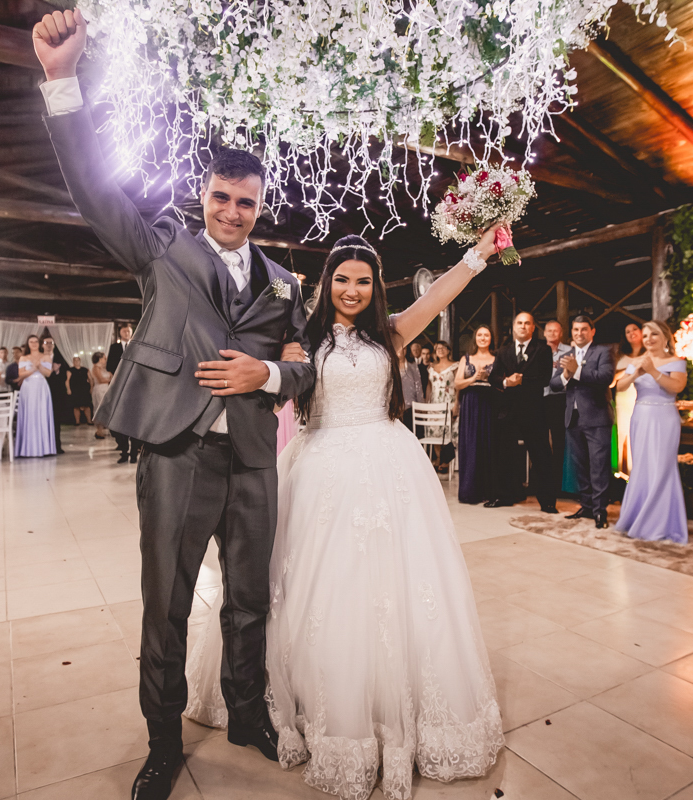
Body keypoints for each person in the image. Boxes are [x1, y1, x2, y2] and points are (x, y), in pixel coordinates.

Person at [33, 12, 317, 798]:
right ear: (204, 194)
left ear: (261, 205)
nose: (232, 212)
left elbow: (305, 368)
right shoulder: (160, 247)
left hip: (253, 458)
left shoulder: (284, 284)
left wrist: (269, 376)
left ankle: (248, 714)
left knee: (250, 600)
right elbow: (93, 189)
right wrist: (61, 80)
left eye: (246, 202)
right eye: (222, 197)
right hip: (176, 452)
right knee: (166, 605)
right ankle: (162, 743)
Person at [185, 231, 507, 800]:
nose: (352, 290)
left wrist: (480, 253)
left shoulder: (392, 331)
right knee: (314, 586)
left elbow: (442, 292)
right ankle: (306, 704)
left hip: (388, 464)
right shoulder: (301, 336)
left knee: (396, 590)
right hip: (319, 466)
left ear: (375, 286)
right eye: (342, 279)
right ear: (326, 282)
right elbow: (268, 373)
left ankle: (393, 709)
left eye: (363, 280)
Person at [615, 321, 688, 543]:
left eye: (654, 334)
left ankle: (661, 523)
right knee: (642, 467)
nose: (649, 339)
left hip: (664, 418)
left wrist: (653, 371)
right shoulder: (637, 361)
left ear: (665, 337)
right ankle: (636, 518)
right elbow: (620, 386)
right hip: (640, 417)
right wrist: (635, 373)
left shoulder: (676, 362)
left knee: (662, 468)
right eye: (645, 335)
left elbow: (677, 387)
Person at [550, 315, 615, 528]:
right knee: (580, 466)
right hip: (573, 418)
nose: (579, 333)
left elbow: (605, 378)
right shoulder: (566, 354)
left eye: (584, 329)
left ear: (592, 331)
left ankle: (600, 511)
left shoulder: (603, 351)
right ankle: (586, 506)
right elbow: (554, 384)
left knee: (599, 466)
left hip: (597, 417)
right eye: (576, 329)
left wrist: (576, 370)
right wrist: (566, 375)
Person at [489, 312, 557, 513]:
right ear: (513, 326)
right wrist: (505, 382)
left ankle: (547, 501)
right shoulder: (504, 351)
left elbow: (545, 378)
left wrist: (521, 382)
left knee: (541, 455)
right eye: (519, 323)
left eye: (527, 323)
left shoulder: (543, 349)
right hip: (508, 410)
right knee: (504, 454)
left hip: (533, 410)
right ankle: (504, 495)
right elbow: (493, 377)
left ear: (533, 328)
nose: (523, 326)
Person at [455, 325, 503, 504]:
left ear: (491, 338)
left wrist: (489, 379)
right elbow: (457, 383)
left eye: (486, 335)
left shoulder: (497, 359)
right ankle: (470, 490)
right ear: (475, 338)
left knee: (488, 443)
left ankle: (488, 490)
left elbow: (502, 384)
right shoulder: (466, 358)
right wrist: (473, 378)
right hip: (470, 402)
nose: (483, 338)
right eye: (480, 335)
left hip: (490, 402)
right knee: (471, 443)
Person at [542, 320, 573, 497]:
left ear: (561, 333)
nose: (552, 333)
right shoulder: (539, 351)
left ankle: (560, 483)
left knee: (560, 441)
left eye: (556, 331)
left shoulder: (569, 351)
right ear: (544, 333)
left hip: (560, 399)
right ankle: (541, 482)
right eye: (549, 331)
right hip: (540, 398)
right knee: (541, 441)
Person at [106, 323, 143, 462]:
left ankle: (134, 452)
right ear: (120, 332)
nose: (126, 333)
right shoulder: (114, 347)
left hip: (136, 387)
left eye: (128, 331)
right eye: (124, 331)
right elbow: (110, 366)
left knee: (135, 420)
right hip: (119, 386)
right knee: (120, 420)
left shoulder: (137, 346)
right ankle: (123, 451)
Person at [15, 335, 55, 458]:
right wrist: (33, 368)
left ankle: (44, 447)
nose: (33, 343)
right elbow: (21, 374)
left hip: (41, 386)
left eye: (36, 341)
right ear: (28, 344)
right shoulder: (23, 357)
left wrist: (39, 366)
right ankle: (28, 448)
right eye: (31, 342)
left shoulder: (46, 357)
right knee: (30, 413)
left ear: (39, 343)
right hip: (28, 386)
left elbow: (48, 373)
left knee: (42, 413)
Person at [614, 321, 645, 480]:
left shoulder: (649, 355)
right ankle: (624, 473)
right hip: (623, 399)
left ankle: (640, 474)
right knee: (623, 435)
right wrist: (629, 368)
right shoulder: (620, 356)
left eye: (634, 329)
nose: (632, 333)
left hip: (641, 398)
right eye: (628, 331)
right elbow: (612, 380)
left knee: (640, 436)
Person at [425, 340, 459, 470]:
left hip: (449, 400)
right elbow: (429, 386)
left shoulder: (455, 366)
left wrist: (456, 404)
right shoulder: (431, 367)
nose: (440, 349)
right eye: (438, 348)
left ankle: (448, 459)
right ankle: (439, 457)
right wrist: (426, 403)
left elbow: (458, 387)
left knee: (449, 430)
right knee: (435, 430)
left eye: (443, 347)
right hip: (435, 402)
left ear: (448, 350)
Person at [42, 337, 68, 454]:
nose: (48, 345)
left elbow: (65, 376)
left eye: (51, 343)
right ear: (42, 345)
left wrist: (57, 371)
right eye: (46, 343)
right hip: (42, 391)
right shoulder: (39, 358)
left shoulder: (59, 358)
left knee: (55, 420)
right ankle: (43, 446)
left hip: (56, 394)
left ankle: (57, 446)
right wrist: (51, 371)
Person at [397, 345, 423, 431]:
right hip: (395, 407)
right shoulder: (390, 365)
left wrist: (420, 405)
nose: (401, 351)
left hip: (410, 406)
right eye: (399, 348)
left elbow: (418, 385)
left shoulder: (412, 365)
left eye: (404, 348)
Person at [89, 351, 112, 438]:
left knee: (106, 409)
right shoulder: (96, 368)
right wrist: (110, 380)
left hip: (105, 389)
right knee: (100, 409)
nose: (105, 360)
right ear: (100, 359)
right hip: (99, 390)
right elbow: (100, 380)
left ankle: (103, 429)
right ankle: (99, 430)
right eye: (104, 358)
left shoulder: (104, 368)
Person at [67, 355, 93, 425]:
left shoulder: (85, 370)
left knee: (87, 406)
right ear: (73, 362)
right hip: (75, 390)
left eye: (77, 360)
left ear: (80, 361)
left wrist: (91, 388)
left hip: (84, 390)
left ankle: (89, 421)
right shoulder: (70, 370)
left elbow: (90, 379)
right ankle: (77, 421)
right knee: (76, 406)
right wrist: (68, 389)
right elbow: (67, 380)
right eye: (75, 361)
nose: (76, 362)